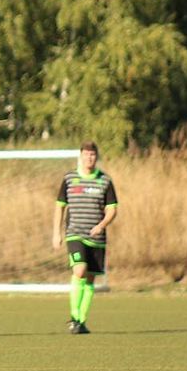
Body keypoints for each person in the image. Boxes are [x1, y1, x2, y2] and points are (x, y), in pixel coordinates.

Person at [52, 141, 118, 334]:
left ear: (96, 157)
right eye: (86, 154)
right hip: (75, 234)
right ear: (80, 156)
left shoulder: (105, 181)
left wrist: (101, 225)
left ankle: (81, 320)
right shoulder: (69, 179)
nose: (90, 158)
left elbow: (112, 210)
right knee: (79, 270)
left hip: (97, 238)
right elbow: (60, 206)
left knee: (90, 279)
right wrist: (56, 232)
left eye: (93, 155)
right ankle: (74, 317)